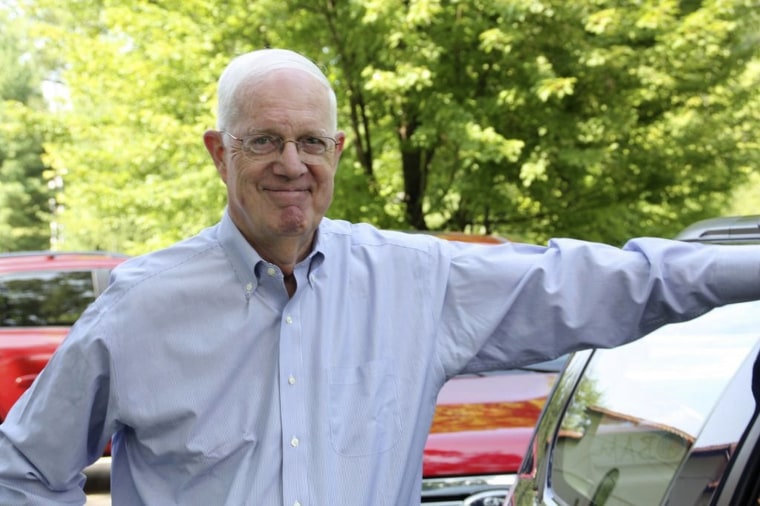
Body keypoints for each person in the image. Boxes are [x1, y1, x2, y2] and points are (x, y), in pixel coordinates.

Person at [0, 48, 758, 505]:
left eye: (311, 142)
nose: (291, 165)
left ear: (335, 150)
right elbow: (27, 466)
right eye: (264, 139)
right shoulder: (143, 308)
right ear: (217, 151)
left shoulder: (417, 284)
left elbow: (615, 282)